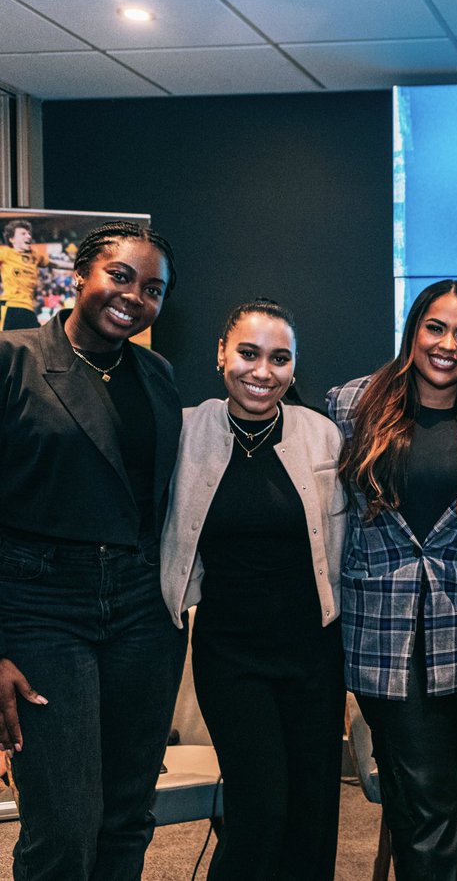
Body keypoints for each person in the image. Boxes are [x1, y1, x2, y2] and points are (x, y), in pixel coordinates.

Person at [0, 221, 185, 879]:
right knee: (64, 820)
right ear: (80, 276)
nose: (135, 296)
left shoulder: (155, 373)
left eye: (154, 289)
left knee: (127, 812)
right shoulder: (13, 359)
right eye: (121, 276)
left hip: (141, 607)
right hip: (41, 610)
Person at [327, 279, 457, 880]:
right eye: (435, 327)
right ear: (414, 331)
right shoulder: (350, 404)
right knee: (424, 810)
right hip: (386, 639)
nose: (447, 344)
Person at [160, 298, 346, 879]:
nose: (262, 371)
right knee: (260, 807)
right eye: (248, 353)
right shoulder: (184, 430)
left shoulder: (322, 434)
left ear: (294, 367)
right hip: (231, 655)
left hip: (314, 653)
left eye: (279, 358)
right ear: (221, 354)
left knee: (312, 810)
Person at [1, 220, 50, 331]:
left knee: (38, 343)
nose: (28, 236)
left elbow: (53, 263)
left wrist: (79, 264)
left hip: (28, 308)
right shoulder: (5, 253)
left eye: (29, 233)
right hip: (11, 306)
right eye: (23, 233)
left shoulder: (35, 255)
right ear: (11, 239)